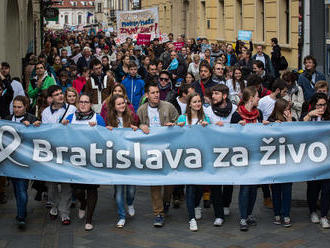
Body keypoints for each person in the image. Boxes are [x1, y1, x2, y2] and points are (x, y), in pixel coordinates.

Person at [137, 82, 179, 227]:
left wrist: (173, 125)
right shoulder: (142, 110)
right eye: (153, 92)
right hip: (151, 152)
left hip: (168, 151)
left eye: (157, 92)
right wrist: (141, 126)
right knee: (155, 183)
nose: (156, 95)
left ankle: (167, 200)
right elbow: (135, 126)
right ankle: (158, 213)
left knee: (169, 182)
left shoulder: (168, 106)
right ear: (147, 95)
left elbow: (179, 121)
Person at [63, 93, 105, 231]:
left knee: (92, 188)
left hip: (92, 159)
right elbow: (61, 135)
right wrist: (63, 126)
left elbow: (106, 137)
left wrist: (98, 128)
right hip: (76, 160)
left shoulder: (97, 118)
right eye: (81, 101)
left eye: (86, 102)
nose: (83, 104)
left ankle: (89, 219)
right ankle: (83, 203)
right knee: (77, 189)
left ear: (90, 104)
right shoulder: (71, 117)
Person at [231, 86, 268, 231]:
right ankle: (243, 216)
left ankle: (250, 213)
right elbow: (230, 136)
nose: (259, 99)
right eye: (257, 96)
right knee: (245, 187)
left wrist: (265, 126)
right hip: (243, 156)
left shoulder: (258, 114)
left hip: (256, 156)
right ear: (251, 98)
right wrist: (237, 128)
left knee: (253, 187)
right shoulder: (237, 115)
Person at [41, 85, 76, 225]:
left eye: (61, 93)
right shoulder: (45, 113)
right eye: (56, 94)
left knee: (67, 183)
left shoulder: (72, 109)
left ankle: (65, 212)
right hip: (51, 152)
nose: (60, 96)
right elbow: (45, 131)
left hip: (67, 151)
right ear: (51, 98)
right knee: (51, 183)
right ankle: (54, 206)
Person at [4, 96, 40, 228]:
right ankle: (21, 211)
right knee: (16, 188)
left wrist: (33, 126)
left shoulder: (32, 119)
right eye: (14, 106)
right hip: (10, 161)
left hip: (24, 162)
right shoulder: (7, 119)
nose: (16, 109)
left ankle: (21, 216)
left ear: (26, 106)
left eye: (19, 107)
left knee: (21, 188)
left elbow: (39, 137)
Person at [176, 93, 210, 231]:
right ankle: (191, 218)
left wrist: (208, 127)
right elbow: (176, 135)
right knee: (190, 187)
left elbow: (212, 135)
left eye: (199, 101)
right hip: (187, 158)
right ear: (189, 104)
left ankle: (196, 205)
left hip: (201, 157)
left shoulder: (205, 118)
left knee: (199, 187)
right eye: (194, 101)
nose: (197, 104)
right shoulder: (182, 118)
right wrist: (177, 127)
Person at [105, 94, 138, 228]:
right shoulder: (109, 119)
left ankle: (130, 203)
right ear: (114, 106)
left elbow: (140, 129)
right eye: (119, 104)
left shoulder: (131, 116)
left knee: (131, 190)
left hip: (130, 158)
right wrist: (107, 130)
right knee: (119, 191)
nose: (122, 106)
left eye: (123, 103)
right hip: (116, 159)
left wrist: (137, 128)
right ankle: (121, 216)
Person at [302, 93, 330, 229]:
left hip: (327, 159)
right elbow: (298, 130)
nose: (322, 107)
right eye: (319, 105)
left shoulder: (328, 117)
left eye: (324, 104)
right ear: (314, 105)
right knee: (313, 187)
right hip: (311, 159)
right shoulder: (309, 116)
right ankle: (312, 211)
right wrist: (310, 115)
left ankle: (324, 215)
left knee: (327, 189)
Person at [268, 98, 294, 227]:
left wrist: (289, 122)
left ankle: (286, 214)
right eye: (286, 109)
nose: (288, 111)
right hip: (274, 161)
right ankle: (277, 213)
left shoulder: (291, 120)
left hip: (288, 161)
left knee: (287, 189)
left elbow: (296, 136)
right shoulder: (271, 120)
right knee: (276, 189)